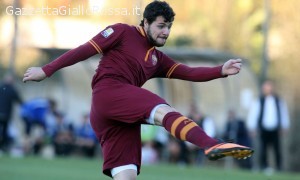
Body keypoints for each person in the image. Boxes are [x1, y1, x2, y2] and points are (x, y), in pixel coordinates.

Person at [23, 1, 253, 179]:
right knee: (162, 109)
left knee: (127, 175)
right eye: (161, 26)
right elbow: (84, 50)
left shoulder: (158, 58)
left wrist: (220, 70)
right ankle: (211, 144)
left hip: (116, 117)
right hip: (108, 94)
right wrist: (47, 69)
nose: (166, 32)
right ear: (146, 22)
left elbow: (189, 73)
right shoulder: (121, 32)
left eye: (169, 27)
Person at [247, 80, 289, 172]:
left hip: (275, 129)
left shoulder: (278, 100)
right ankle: (264, 166)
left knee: (277, 149)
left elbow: (283, 113)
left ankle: (279, 167)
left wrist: (284, 126)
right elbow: (254, 114)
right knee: (263, 149)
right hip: (263, 129)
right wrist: (252, 127)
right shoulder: (259, 100)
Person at [0, 73, 23, 152]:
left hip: (5, 114)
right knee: (4, 131)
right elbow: (20, 101)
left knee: (4, 131)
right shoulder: (12, 89)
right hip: (6, 114)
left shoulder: (2, 88)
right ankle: (3, 147)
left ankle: (3, 147)